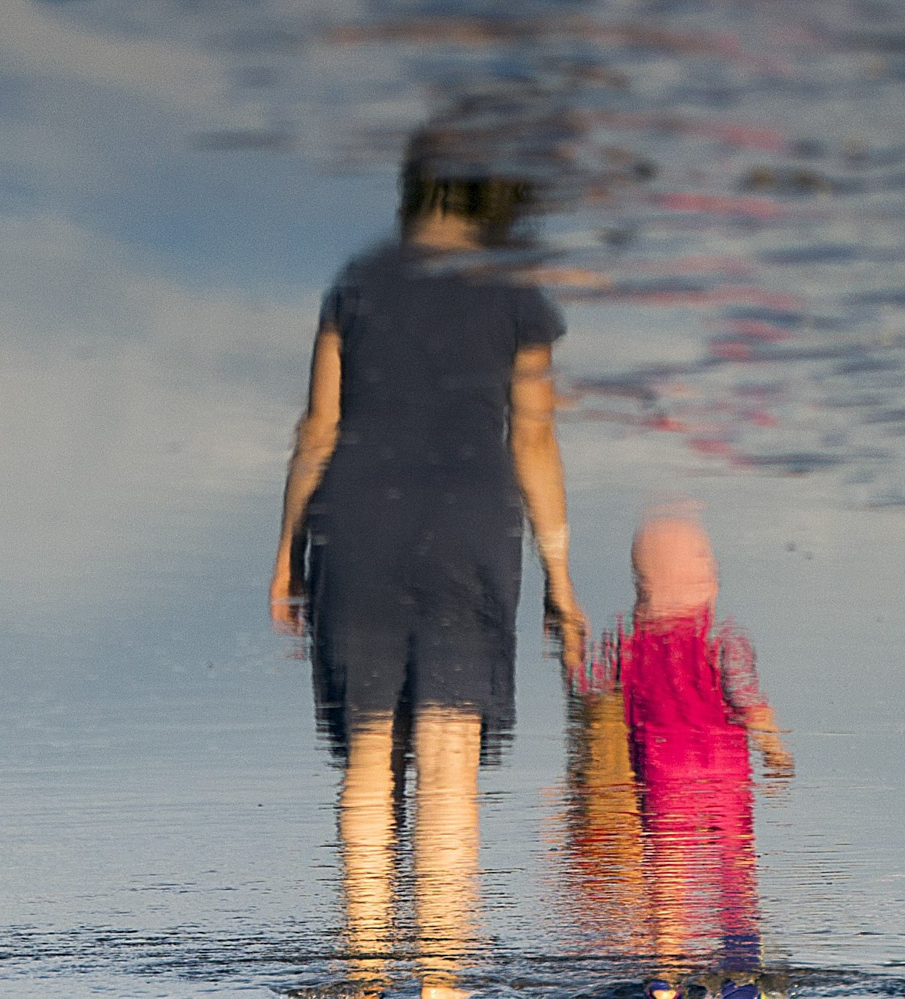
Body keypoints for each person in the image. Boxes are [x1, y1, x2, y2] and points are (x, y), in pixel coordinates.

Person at [269, 137, 586, 998]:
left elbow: (317, 429)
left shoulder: (357, 282)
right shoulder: (514, 294)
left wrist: (285, 553)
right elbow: (533, 437)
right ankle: (442, 982)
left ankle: (365, 968)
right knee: (449, 752)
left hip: (357, 526)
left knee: (369, 751)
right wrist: (559, 576)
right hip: (468, 527)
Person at [589, 505, 792, 999]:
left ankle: (665, 977)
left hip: (663, 774)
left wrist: (571, 645)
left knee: (669, 874)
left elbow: (590, 681)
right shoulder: (723, 637)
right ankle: (740, 970)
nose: (713, 567)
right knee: (733, 867)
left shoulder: (627, 636)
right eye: (704, 558)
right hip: (725, 775)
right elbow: (747, 700)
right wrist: (774, 745)